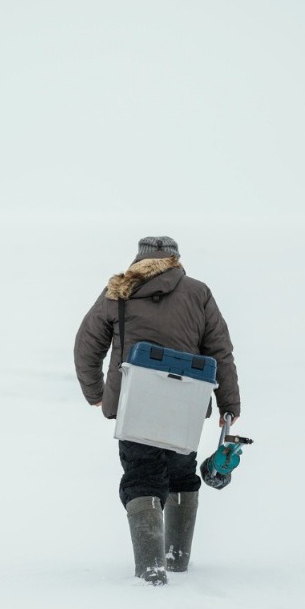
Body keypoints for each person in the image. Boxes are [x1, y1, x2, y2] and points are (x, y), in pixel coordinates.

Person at [73, 236, 241, 585]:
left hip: (135, 404)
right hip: (188, 404)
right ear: (176, 261)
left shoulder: (118, 291)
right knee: (182, 474)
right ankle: (177, 560)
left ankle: (151, 569)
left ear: (138, 261)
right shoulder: (198, 292)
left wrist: (96, 394)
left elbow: (86, 345)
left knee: (142, 475)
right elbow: (220, 351)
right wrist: (229, 404)